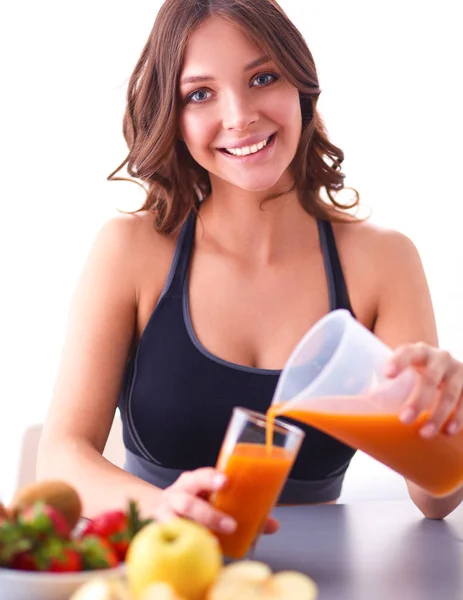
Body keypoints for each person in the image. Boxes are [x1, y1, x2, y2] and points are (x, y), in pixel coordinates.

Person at [37, 0, 463, 537]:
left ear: (302, 87)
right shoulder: (132, 251)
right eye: (200, 93)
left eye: (263, 77)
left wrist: (452, 417)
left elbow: (433, 496)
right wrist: (162, 509)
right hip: (162, 572)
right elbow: (60, 458)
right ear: (174, 115)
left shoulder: (383, 260)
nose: (240, 115)